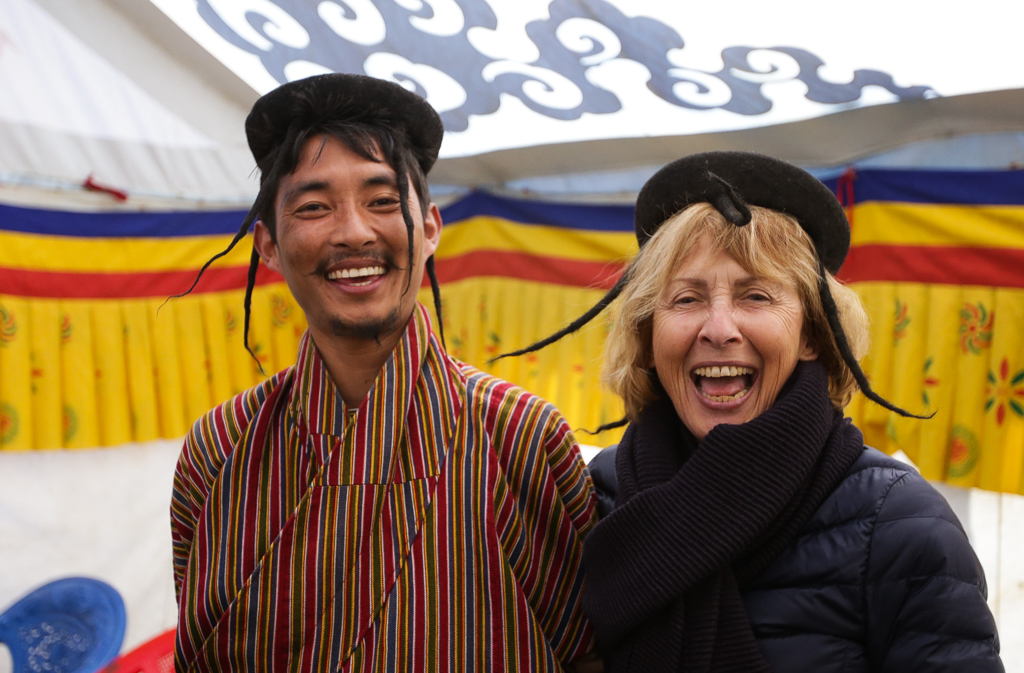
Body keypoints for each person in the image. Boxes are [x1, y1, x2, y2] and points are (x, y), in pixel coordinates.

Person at [505, 152, 1003, 672]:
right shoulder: (592, 500)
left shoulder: (899, 527)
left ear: (812, 333)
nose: (719, 329)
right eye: (687, 299)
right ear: (648, 338)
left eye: (756, 296)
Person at [169, 74, 598, 672]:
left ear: (428, 229)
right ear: (267, 244)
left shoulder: (521, 435)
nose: (353, 232)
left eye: (382, 201)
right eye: (315, 207)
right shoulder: (219, 451)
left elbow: (587, 654)